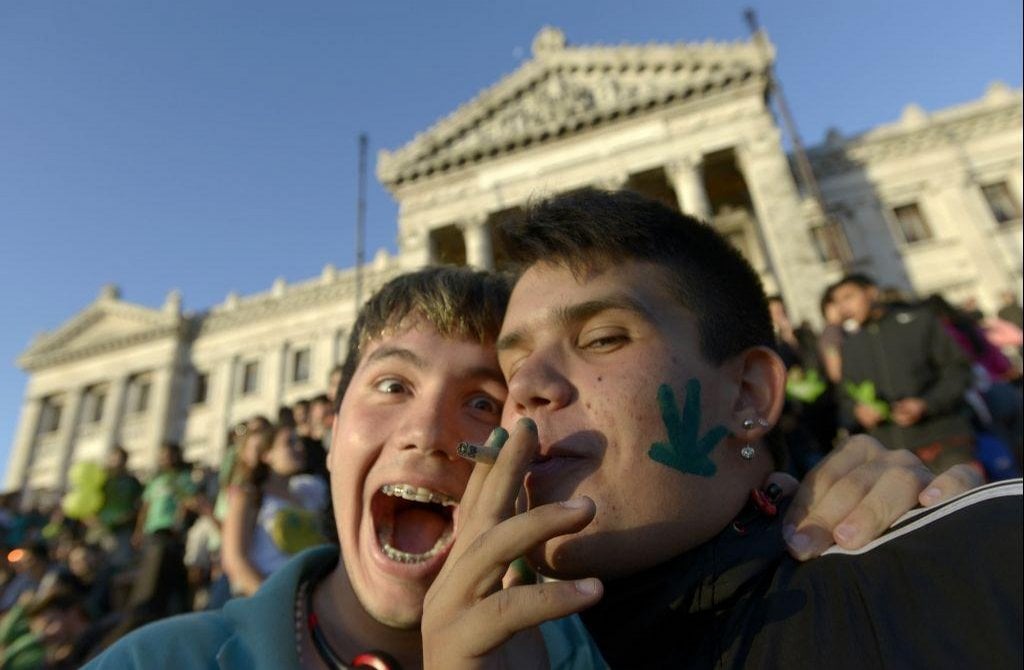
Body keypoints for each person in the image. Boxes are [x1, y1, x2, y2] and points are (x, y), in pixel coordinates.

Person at [87, 266, 980, 669]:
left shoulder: (605, 644)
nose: (429, 433)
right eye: (391, 383)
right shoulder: (157, 663)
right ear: (328, 426)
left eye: (485, 400)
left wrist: (800, 506)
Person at [421, 188, 1021, 669]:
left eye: (602, 339)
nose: (527, 390)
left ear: (748, 394)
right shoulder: (508, 655)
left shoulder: (982, 569)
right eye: (512, 369)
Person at [831, 274, 976, 472]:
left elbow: (958, 371)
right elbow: (845, 396)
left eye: (848, 297)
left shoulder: (919, 322)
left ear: (872, 292)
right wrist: (858, 412)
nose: (843, 307)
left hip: (944, 441)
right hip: (891, 456)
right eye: (837, 302)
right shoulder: (850, 345)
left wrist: (926, 404)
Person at [221, 424, 327, 597]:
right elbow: (234, 559)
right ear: (267, 455)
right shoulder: (249, 496)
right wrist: (269, 600)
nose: (299, 447)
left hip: (309, 595)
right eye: (289, 443)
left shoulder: (309, 491)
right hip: (270, 594)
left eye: (298, 441)